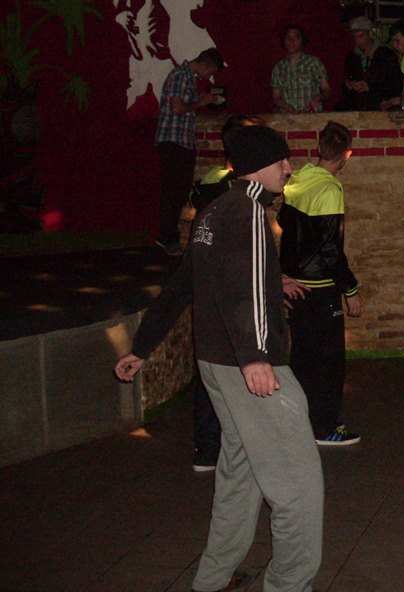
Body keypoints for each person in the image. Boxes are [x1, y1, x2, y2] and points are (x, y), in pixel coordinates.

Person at [114, 124, 324, 592]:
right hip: (249, 367)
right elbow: (244, 290)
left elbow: (184, 285)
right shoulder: (249, 210)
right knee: (298, 486)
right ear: (259, 165)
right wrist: (256, 357)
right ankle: (289, 585)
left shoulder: (213, 212)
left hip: (216, 364)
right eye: (282, 161)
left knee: (240, 473)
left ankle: (214, 579)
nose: (289, 169)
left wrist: (142, 347)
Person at [278, 121, 364, 446]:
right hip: (319, 287)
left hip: (293, 285)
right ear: (347, 154)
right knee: (329, 361)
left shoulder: (297, 177)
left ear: (318, 147)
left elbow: (282, 221)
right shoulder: (330, 189)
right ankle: (324, 427)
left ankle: (300, 421)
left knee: (303, 358)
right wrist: (350, 289)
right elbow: (330, 250)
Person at [187, 113, 264, 474]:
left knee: (210, 374)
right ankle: (227, 448)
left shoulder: (210, 182)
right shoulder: (237, 195)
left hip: (207, 293)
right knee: (230, 372)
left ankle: (207, 447)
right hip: (228, 294)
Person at [154, 47, 223, 256]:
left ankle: (167, 237)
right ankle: (167, 238)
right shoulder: (181, 76)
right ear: (205, 65)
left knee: (177, 191)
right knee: (174, 192)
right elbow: (177, 108)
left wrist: (199, 101)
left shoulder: (186, 77)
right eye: (210, 72)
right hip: (173, 141)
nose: (208, 77)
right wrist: (200, 102)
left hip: (179, 142)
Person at [340, 16, 402, 110]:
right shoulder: (352, 57)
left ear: (370, 33)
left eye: (361, 36)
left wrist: (370, 87)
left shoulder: (386, 55)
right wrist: (349, 85)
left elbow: (395, 85)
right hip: (358, 108)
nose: (357, 41)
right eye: (354, 37)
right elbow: (345, 87)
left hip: (382, 107)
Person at [271, 24, 331, 113]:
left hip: (312, 116)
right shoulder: (279, 67)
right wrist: (286, 106)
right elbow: (276, 97)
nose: (292, 41)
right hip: (288, 117)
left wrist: (317, 99)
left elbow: (327, 90)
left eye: (296, 38)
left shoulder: (313, 63)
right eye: (288, 38)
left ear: (302, 40)